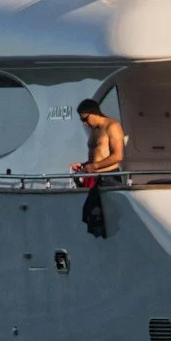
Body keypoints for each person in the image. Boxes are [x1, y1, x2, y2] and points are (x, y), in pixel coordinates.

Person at [73, 98, 125, 240]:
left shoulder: (112, 125)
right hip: (94, 177)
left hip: (109, 176)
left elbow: (118, 156)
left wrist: (94, 166)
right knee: (89, 212)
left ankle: (113, 239)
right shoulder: (94, 130)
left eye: (85, 118)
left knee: (98, 212)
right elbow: (96, 155)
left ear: (93, 113)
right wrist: (83, 165)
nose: (84, 123)